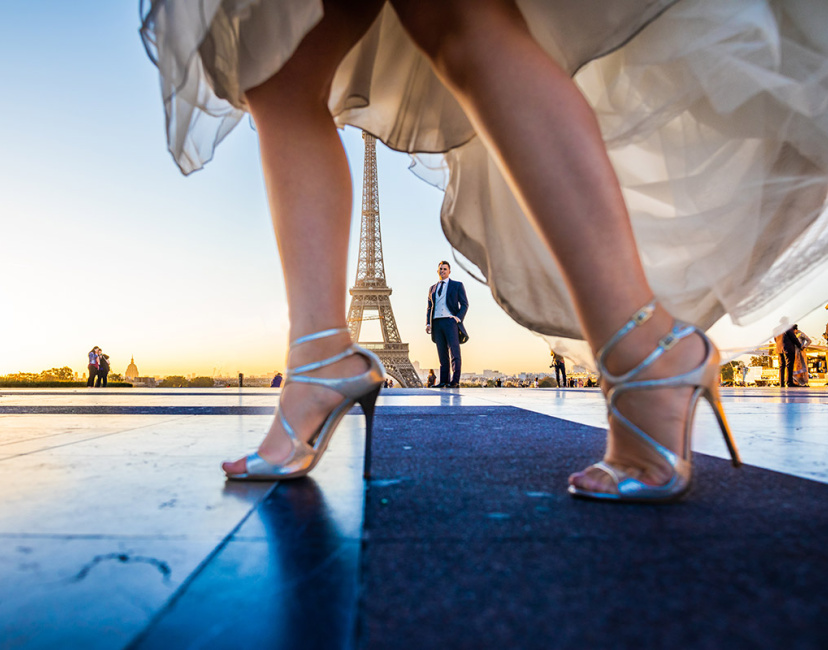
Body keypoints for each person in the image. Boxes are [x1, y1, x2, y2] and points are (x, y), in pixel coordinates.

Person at [142, 1, 828, 501]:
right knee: (278, 68)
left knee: (453, 16)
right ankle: (319, 354)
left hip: (447, 323)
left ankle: (644, 346)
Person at [426, 261, 469, 388]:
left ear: (449, 271)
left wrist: (457, 318)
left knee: (454, 353)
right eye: (440, 269)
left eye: (445, 269)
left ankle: (454, 381)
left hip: (450, 322)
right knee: (442, 354)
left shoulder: (457, 285)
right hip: (436, 322)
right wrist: (428, 323)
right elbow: (429, 307)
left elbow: (465, 304)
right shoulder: (432, 288)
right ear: (437, 271)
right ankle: (444, 381)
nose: (442, 271)